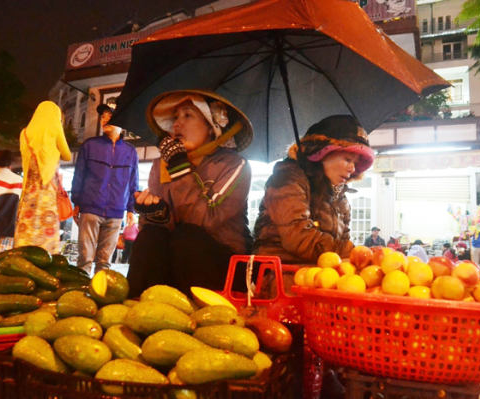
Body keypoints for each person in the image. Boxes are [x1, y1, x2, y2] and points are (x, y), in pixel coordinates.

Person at [128, 89, 253, 297]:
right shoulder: (162, 166)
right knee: (150, 235)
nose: (177, 124)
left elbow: (204, 221)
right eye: (175, 117)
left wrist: (180, 168)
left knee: (187, 237)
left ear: (211, 128)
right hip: (178, 263)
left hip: (225, 265)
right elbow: (158, 232)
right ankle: (138, 311)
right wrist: (158, 215)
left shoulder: (234, 165)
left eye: (188, 115)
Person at [253, 115, 375, 264]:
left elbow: (343, 241)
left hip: (319, 272)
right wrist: (355, 253)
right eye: (347, 159)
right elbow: (297, 237)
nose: (352, 168)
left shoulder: (339, 196)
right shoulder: (288, 179)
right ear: (321, 153)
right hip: (275, 273)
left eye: (355, 163)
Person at [71, 103, 139, 275]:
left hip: (116, 212)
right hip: (90, 208)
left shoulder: (131, 152)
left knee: (105, 261)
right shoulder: (90, 145)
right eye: (103, 116)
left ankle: (100, 295)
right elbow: (79, 175)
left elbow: (133, 182)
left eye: (111, 115)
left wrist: (131, 209)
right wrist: (77, 202)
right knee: (84, 258)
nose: (106, 119)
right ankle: (80, 297)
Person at [15, 101, 71, 254]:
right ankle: (45, 261)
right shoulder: (54, 129)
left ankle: (23, 257)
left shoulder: (24, 133)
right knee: (45, 227)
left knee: (28, 226)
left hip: (29, 190)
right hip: (47, 189)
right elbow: (67, 155)